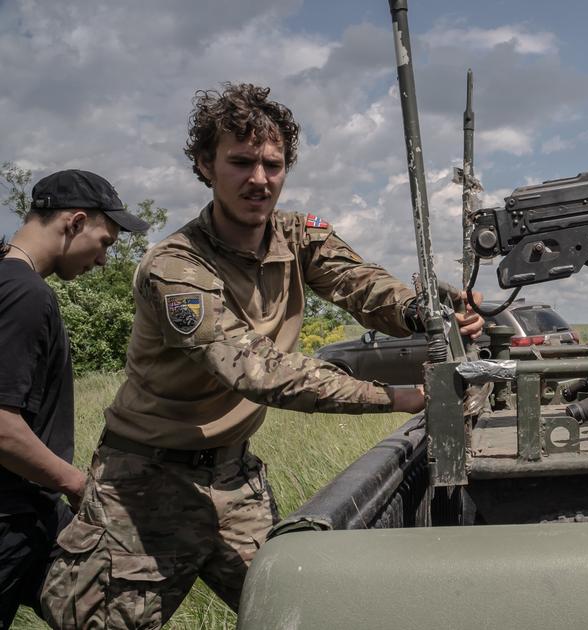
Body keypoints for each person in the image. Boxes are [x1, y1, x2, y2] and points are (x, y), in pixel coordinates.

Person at [40, 83, 483, 628]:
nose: (259, 179)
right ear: (206, 165)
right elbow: (253, 369)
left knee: (303, 615)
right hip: (144, 485)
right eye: (241, 162)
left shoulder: (298, 237)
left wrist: (424, 311)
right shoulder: (175, 266)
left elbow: (360, 284)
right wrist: (396, 397)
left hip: (235, 478)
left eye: (273, 165)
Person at [0, 170, 149, 628]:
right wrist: (78, 485)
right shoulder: (25, 294)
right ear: (74, 222)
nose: (104, 259)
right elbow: (2, 428)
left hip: (35, 517)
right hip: (10, 523)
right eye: (104, 242)